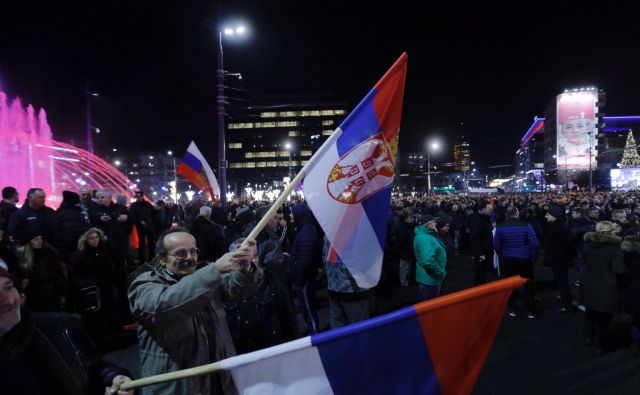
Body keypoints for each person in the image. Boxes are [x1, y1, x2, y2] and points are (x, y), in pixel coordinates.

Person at [128, 228, 264, 395]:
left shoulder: (202, 274)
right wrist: (214, 270)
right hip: (179, 385)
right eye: (180, 253)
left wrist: (246, 267)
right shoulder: (144, 284)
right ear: (161, 259)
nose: (190, 258)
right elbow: (163, 306)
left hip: (219, 376)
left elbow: (234, 289)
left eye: (193, 251)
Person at [0, 267, 134, 395]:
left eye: (8, 287)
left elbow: (95, 369)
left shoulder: (60, 327)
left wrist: (114, 377)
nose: (9, 300)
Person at [67, 227, 116, 348]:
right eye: (91, 238)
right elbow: (75, 275)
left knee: (104, 316)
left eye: (97, 237)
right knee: (93, 320)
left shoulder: (103, 252)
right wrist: (87, 284)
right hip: (90, 292)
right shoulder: (79, 256)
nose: (95, 240)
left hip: (104, 289)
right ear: (85, 239)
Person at [581, 221, 625, 354]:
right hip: (606, 283)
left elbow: (584, 260)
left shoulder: (587, 245)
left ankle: (588, 337)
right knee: (605, 315)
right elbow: (619, 270)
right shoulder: (615, 248)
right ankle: (599, 344)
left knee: (590, 310)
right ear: (610, 231)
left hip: (588, 280)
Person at [493, 206, 539, 318]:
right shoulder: (526, 225)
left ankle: (512, 308)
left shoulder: (500, 227)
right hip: (524, 258)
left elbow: (496, 245)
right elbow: (534, 244)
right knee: (528, 284)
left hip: (508, 259)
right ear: (517, 213)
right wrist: (532, 258)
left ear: (506, 215)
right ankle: (530, 310)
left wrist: (502, 255)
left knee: (510, 285)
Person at [16, 231, 67, 312]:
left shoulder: (50, 253)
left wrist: (29, 280)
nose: (40, 241)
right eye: (36, 239)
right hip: (32, 292)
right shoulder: (22, 254)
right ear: (29, 242)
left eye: (41, 238)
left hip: (49, 289)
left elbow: (51, 274)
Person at [544, 206, 576, 312]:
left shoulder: (561, 228)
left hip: (561, 260)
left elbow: (569, 245)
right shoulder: (556, 226)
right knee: (560, 282)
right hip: (558, 259)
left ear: (555, 216)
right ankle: (565, 302)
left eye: (548, 215)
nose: (545, 216)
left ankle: (567, 305)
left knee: (563, 283)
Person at [414, 215, 447, 301]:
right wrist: (440, 272)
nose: (435, 224)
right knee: (427, 306)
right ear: (428, 224)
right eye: (434, 223)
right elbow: (428, 261)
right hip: (429, 279)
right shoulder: (424, 237)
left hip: (430, 277)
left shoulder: (428, 235)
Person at [51, 191, 90, 261]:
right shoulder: (77, 214)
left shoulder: (59, 213)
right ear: (75, 203)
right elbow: (83, 230)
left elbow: (56, 232)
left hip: (64, 249)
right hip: (76, 248)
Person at [621, 234, 640, 356]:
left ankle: (636, 344)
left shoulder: (623, 257)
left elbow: (622, 277)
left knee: (636, 321)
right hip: (634, 291)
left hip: (632, 293)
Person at [469, 202, 494, 285]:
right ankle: (478, 291)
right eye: (489, 209)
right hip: (481, 252)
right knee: (480, 272)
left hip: (485, 251)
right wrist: (480, 253)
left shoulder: (485, 217)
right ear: (482, 209)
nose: (491, 211)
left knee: (483, 272)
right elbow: (475, 238)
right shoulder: (477, 219)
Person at [129, 191, 156, 264]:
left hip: (149, 227)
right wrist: (139, 222)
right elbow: (132, 216)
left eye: (140, 197)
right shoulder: (134, 205)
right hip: (140, 227)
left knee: (151, 244)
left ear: (142, 196)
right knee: (141, 244)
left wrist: (150, 222)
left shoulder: (147, 204)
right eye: (137, 197)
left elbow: (153, 214)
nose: (139, 198)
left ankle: (152, 258)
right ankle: (142, 260)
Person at [396, 208, 415, 287]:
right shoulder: (401, 227)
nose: (411, 218)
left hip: (408, 251)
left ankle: (406, 280)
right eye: (410, 217)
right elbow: (401, 242)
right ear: (405, 218)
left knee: (407, 267)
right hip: (404, 252)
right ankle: (403, 282)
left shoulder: (407, 225)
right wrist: (410, 247)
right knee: (404, 267)